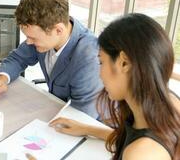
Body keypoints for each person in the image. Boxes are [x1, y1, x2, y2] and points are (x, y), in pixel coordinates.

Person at [50, 13, 180, 160]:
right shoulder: (167, 100)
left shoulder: (139, 154)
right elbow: (130, 136)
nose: (99, 74)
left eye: (101, 62)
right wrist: (86, 129)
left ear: (124, 63)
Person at [0, 0, 103, 118]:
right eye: (27, 37)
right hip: (57, 109)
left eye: (33, 38)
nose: (28, 43)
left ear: (58, 30)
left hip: (93, 128)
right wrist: (2, 79)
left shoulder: (89, 59)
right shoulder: (48, 32)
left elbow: (83, 118)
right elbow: (18, 58)